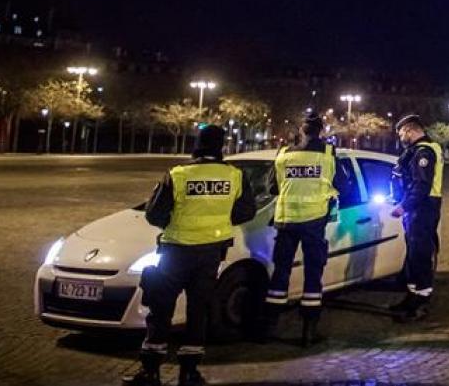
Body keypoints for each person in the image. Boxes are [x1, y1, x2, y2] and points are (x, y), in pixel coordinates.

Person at [124, 124, 256, 386]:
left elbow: (154, 214)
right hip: (211, 254)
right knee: (199, 311)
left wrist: (175, 224)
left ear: (198, 144)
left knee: (161, 308)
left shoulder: (179, 174)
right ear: (221, 146)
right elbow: (247, 211)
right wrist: (219, 221)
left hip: (175, 251)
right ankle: (190, 373)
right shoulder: (235, 175)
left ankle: (150, 372)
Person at [259, 113, 345, 346]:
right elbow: (342, 185)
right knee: (313, 274)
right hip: (314, 221)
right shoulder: (328, 154)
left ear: (301, 131)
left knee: (280, 272)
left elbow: (272, 187)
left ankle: (269, 327)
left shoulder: (284, 154)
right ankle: (308, 331)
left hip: (286, 221)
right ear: (321, 131)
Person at [388, 113, 444, 322]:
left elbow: (421, 185)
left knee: (420, 255)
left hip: (423, 208)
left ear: (410, 130)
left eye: (401, 133)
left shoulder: (424, 153)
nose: (400, 137)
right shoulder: (419, 150)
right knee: (413, 255)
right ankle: (411, 297)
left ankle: (421, 302)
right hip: (418, 208)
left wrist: (403, 207)